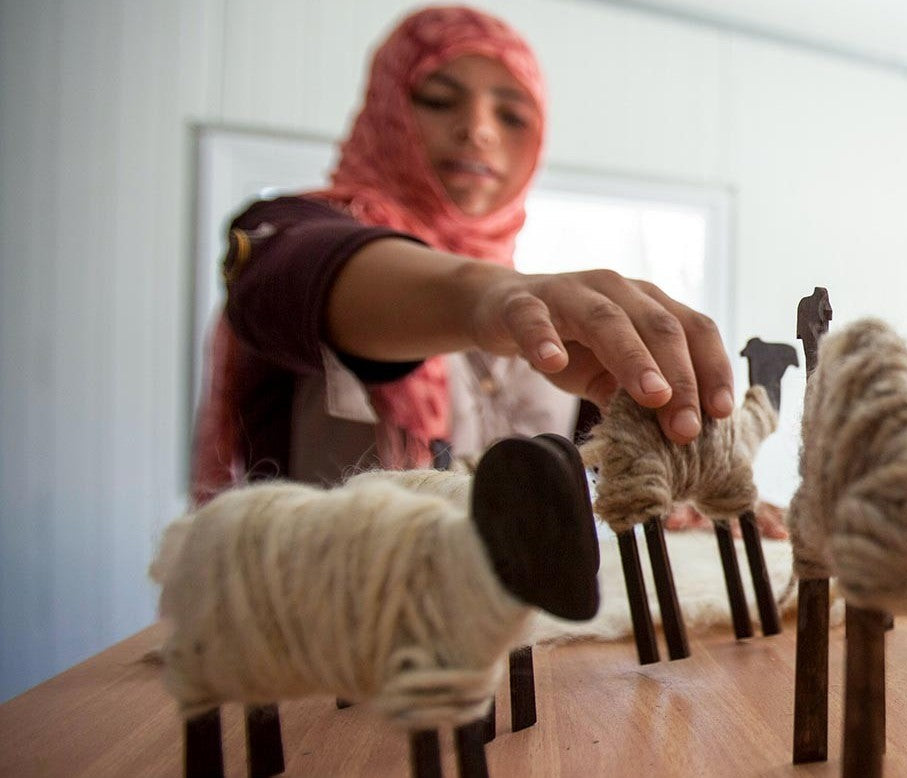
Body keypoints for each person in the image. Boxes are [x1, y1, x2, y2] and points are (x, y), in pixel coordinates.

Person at [191, 6, 778, 537]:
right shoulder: (294, 231)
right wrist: (488, 299)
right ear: (386, 108)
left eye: (512, 113)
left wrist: (694, 493)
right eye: (439, 100)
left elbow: (612, 472)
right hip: (323, 637)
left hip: (510, 638)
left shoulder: (553, 322)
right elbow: (291, 277)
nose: (478, 129)